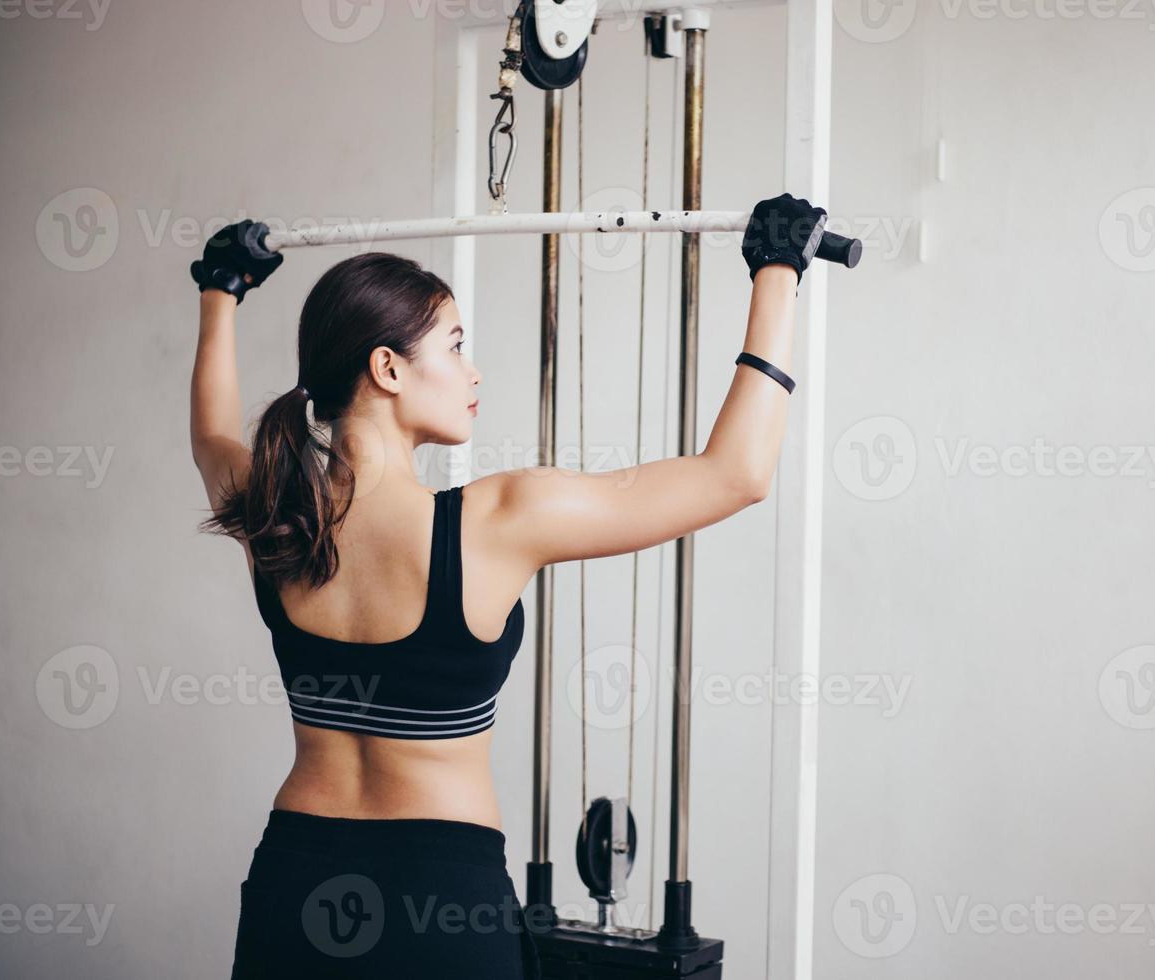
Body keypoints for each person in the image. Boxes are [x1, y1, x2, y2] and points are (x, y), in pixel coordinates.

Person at [187, 194, 828, 977]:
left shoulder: (271, 509)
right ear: (387, 368)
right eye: (454, 347)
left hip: (296, 880)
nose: (472, 371)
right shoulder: (498, 520)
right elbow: (736, 475)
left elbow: (211, 434)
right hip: (440, 898)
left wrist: (221, 288)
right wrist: (779, 271)